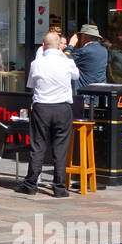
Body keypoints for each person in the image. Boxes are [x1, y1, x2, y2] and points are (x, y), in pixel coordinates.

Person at [18, 31, 79, 197]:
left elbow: (31, 84)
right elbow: (76, 76)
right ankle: (59, 188)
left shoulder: (37, 63)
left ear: (43, 46)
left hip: (42, 107)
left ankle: (31, 184)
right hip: (62, 107)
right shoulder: (67, 62)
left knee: (37, 146)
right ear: (59, 45)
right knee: (60, 148)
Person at [68, 24, 109, 95]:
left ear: (84, 36)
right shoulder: (104, 50)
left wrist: (70, 45)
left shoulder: (85, 51)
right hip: (100, 95)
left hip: (85, 95)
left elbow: (63, 60)